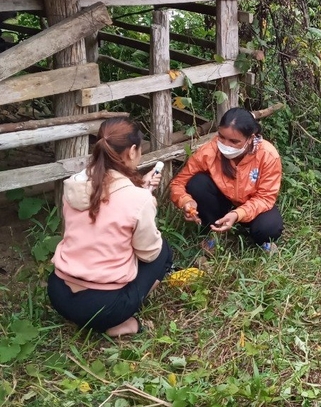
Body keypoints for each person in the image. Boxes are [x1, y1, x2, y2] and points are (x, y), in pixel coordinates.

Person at [47, 118, 173, 337]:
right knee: (163, 250)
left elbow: (105, 206)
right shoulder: (137, 199)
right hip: (102, 307)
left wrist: (139, 189)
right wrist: (143, 198)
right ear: (133, 151)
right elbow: (149, 253)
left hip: (59, 292)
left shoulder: (74, 184)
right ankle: (123, 323)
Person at [169, 107, 283, 253]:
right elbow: (178, 183)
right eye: (221, 137)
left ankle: (261, 241)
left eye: (234, 141)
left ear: (250, 138)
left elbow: (265, 198)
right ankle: (217, 230)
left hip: (253, 203)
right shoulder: (209, 150)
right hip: (223, 201)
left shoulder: (268, 155)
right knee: (197, 183)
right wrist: (186, 201)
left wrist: (237, 214)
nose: (225, 145)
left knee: (269, 228)